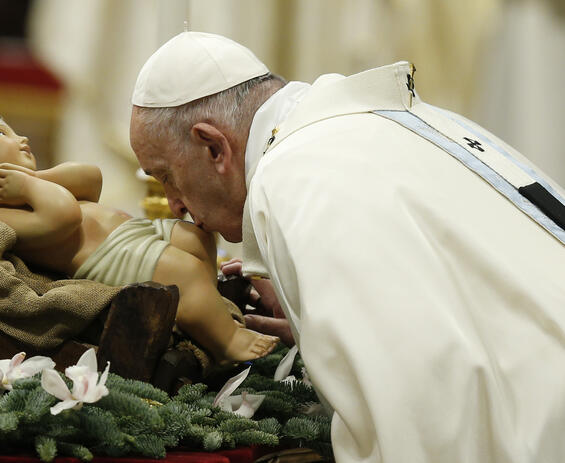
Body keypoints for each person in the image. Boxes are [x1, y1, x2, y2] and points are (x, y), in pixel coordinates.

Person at [129, 31, 565, 463]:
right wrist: (314, 331)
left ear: (213, 147)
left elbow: (416, 406)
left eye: (165, 175)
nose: (174, 205)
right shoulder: (357, 132)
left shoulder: (298, 179)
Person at [0, 109, 278, 364]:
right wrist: (29, 185)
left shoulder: (32, 186)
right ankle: (227, 340)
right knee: (182, 274)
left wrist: (36, 179)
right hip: (111, 258)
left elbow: (90, 178)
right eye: (2, 134)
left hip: (136, 233)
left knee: (193, 239)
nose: (20, 137)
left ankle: (202, 317)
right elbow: (63, 216)